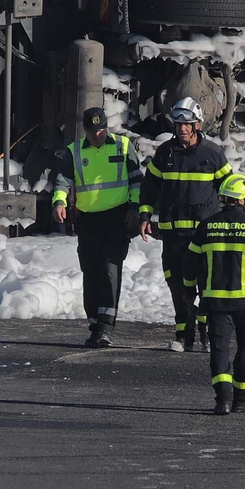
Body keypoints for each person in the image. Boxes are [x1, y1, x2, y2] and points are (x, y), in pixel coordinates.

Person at [138, 97, 231, 352]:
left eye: (187, 124)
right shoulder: (164, 153)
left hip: (204, 236)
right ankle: (183, 337)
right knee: (178, 287)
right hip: (173, 236)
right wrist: (145, 216)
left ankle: (208, 335)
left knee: (206, 286)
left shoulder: (212, 154)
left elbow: (229, 190)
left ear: (197, 125)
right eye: (178, 124)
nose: (182, 129)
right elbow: (149, 187)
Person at [183, 173, 245, 415]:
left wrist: (188, 289)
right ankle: (242, 400)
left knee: (219, 349)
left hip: (215, 302)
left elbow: (190, 262)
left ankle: (223, 400)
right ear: (243, 201)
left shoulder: (206, 226)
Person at [51, 106, 143, 348]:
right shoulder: (75, 151)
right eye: (93, 132)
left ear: (107, 127)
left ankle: (106, 325)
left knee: (110, 269)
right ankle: (94, 323)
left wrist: (135, 208)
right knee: (90, 270)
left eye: (101, 130)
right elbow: (63, 182)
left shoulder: (123, 146)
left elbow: (136, 180)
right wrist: (59, 202)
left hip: (116, 217)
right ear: (85, 130)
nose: (98, 136)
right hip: (89, 220)